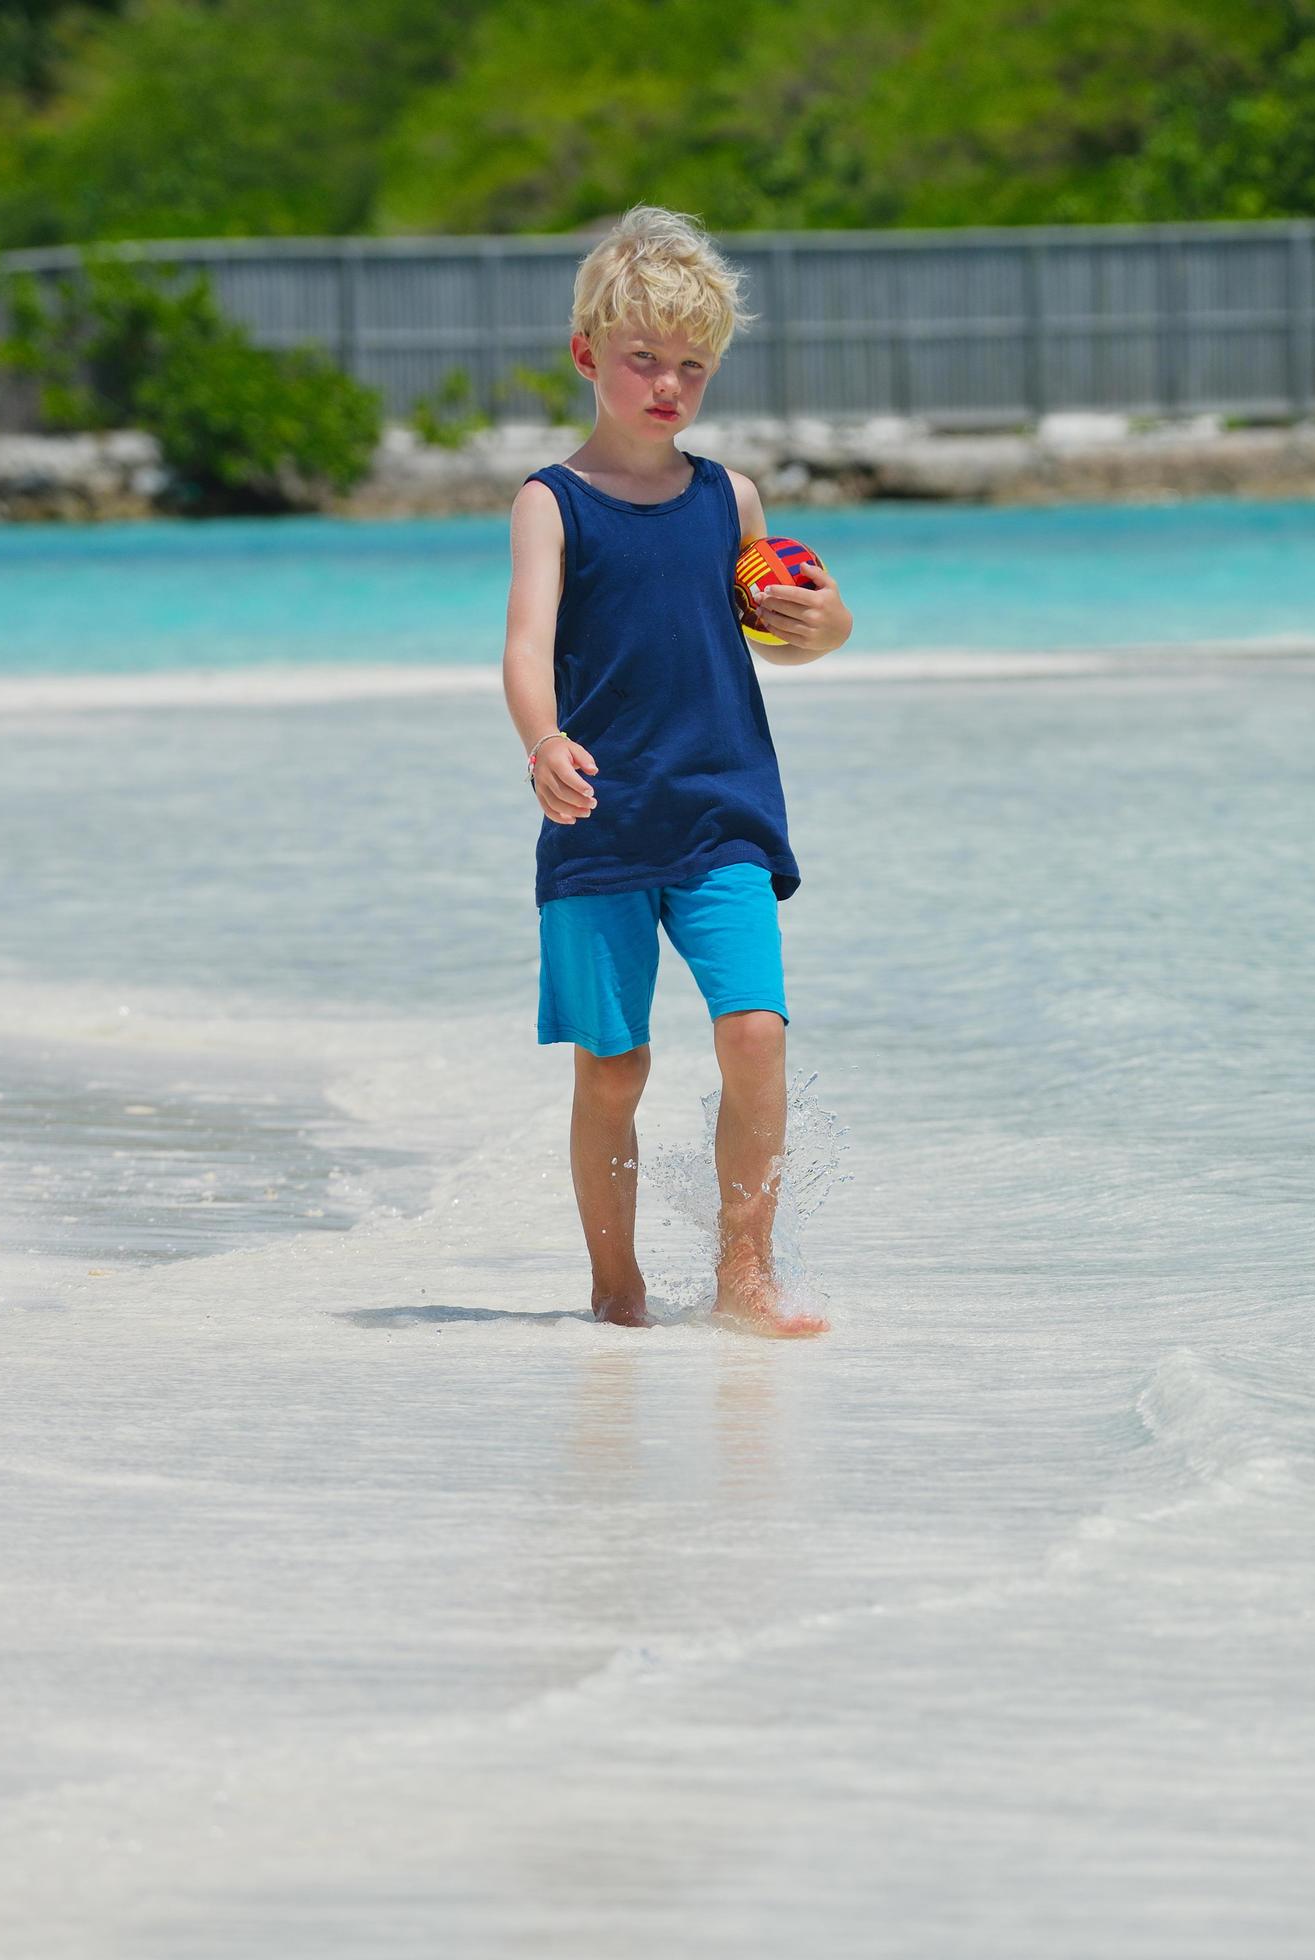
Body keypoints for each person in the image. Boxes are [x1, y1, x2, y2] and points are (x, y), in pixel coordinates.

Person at [502, 207, 851, 1337]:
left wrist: (830, 620)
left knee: (756, 1031)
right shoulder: (551, 502)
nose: (667, 385)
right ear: (587, 355)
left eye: (691, 366)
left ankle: (746, 1274)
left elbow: (798, 629)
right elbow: (523, 643)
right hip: (598, 818)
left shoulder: (729, 501)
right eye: (644, 359)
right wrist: (543, 743)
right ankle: (617, 1285)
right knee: (615, 1066)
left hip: (724, 813)